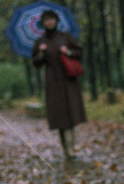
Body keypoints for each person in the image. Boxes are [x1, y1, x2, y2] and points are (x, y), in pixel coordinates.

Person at [31, 9, 86, 161]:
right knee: (60, 115)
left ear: (56, 21)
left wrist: (68, 51)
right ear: (43, 23)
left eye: (52, 19)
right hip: (53, 82)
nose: (50, 22)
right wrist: (41, 53)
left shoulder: (65, 37)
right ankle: (66, 148)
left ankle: (71, 148)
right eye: (47, 20)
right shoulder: (40, 41)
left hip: (68, 80)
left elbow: (79, 52)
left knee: (71, 113)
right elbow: (35, 63)